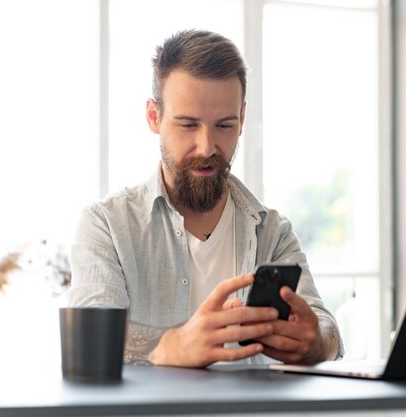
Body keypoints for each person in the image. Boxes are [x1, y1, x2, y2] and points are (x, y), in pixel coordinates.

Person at [67, 29, 343, 368]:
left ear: (242, 119)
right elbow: (91, 338)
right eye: (187, 125)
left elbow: (328, 330)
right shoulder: (106, 225)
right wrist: (169, 346)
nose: (207, 147)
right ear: (154, 116)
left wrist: (317, 342)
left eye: (224, 126)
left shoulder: (272, 232)